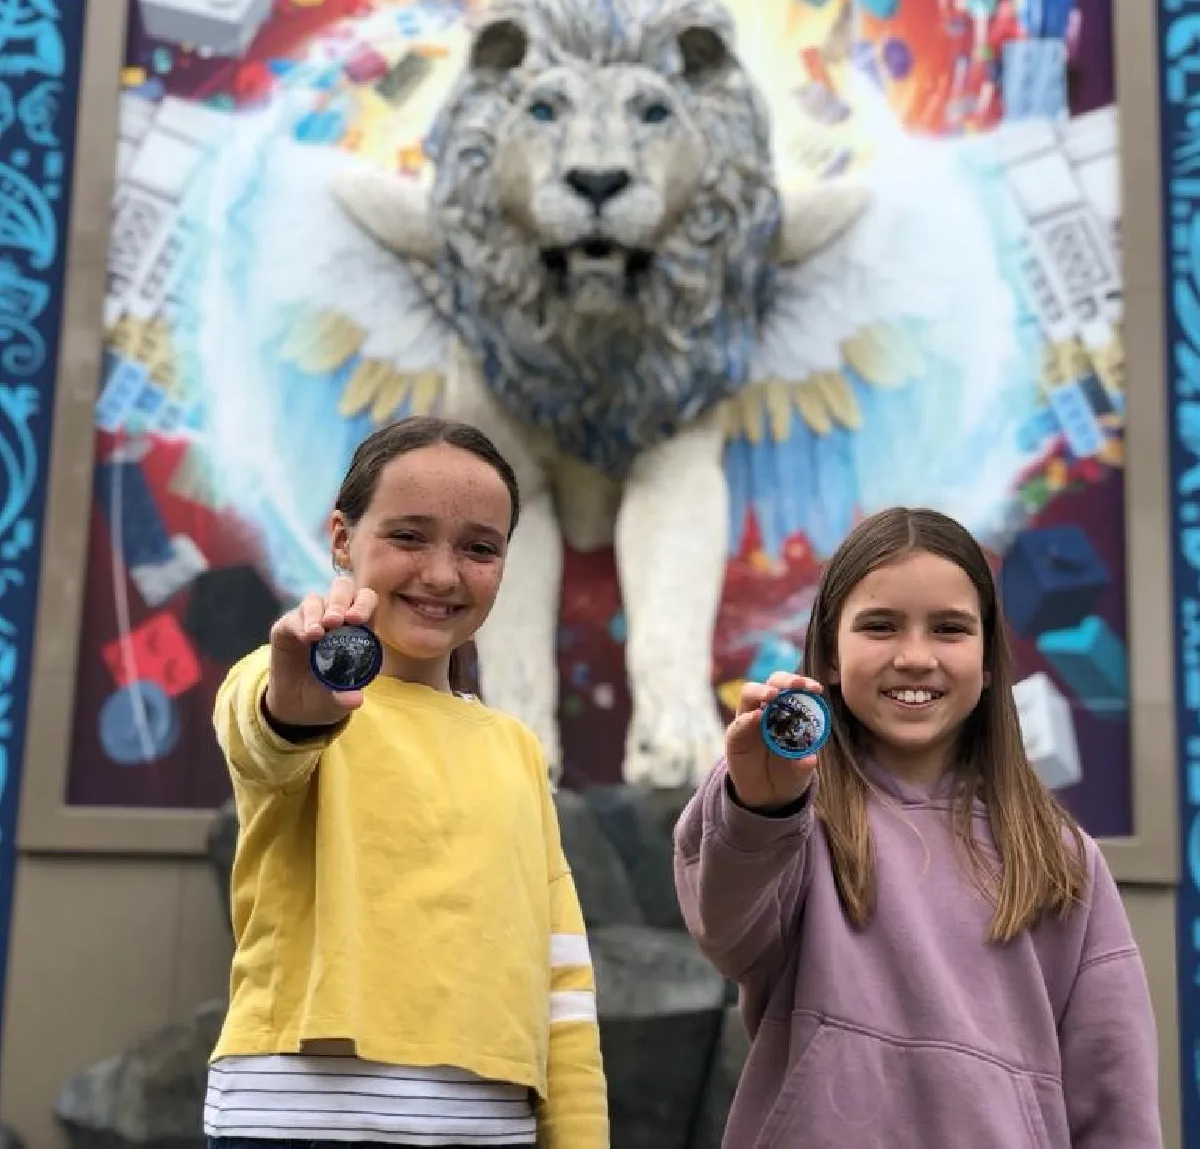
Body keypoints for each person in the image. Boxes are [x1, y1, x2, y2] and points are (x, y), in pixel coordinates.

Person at [674, 506, 1161, 1148]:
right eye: (879, 626)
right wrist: (760, 810)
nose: (914, 656)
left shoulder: (1061, 856)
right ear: (829, 650)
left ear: (988, 659)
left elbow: (1115, 1094)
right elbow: (727, 936)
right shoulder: (792, 816)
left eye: (949, 629)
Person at [204, 416, 609, 1149]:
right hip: (290, 1122)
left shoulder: (516, 750)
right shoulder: (277, 681)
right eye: (409, 535)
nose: (443, 574)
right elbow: (265, 731)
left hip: (491, 1131)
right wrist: (301, 704)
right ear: (340, 539)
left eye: (479, 547)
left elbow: (564, 983)